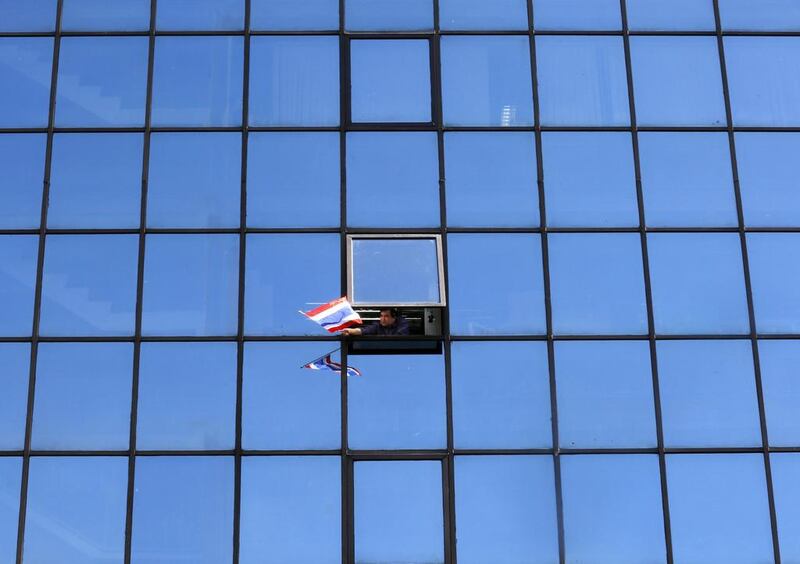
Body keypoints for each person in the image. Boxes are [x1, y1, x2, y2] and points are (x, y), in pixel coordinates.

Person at [342, 308, 409, 336]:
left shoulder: (402, 323)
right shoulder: (378, 325)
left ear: (394, 317)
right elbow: (365, 330)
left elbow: (399, 338)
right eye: (381, 316)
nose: (383, 319)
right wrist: (350, 331)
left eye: (386, 316)